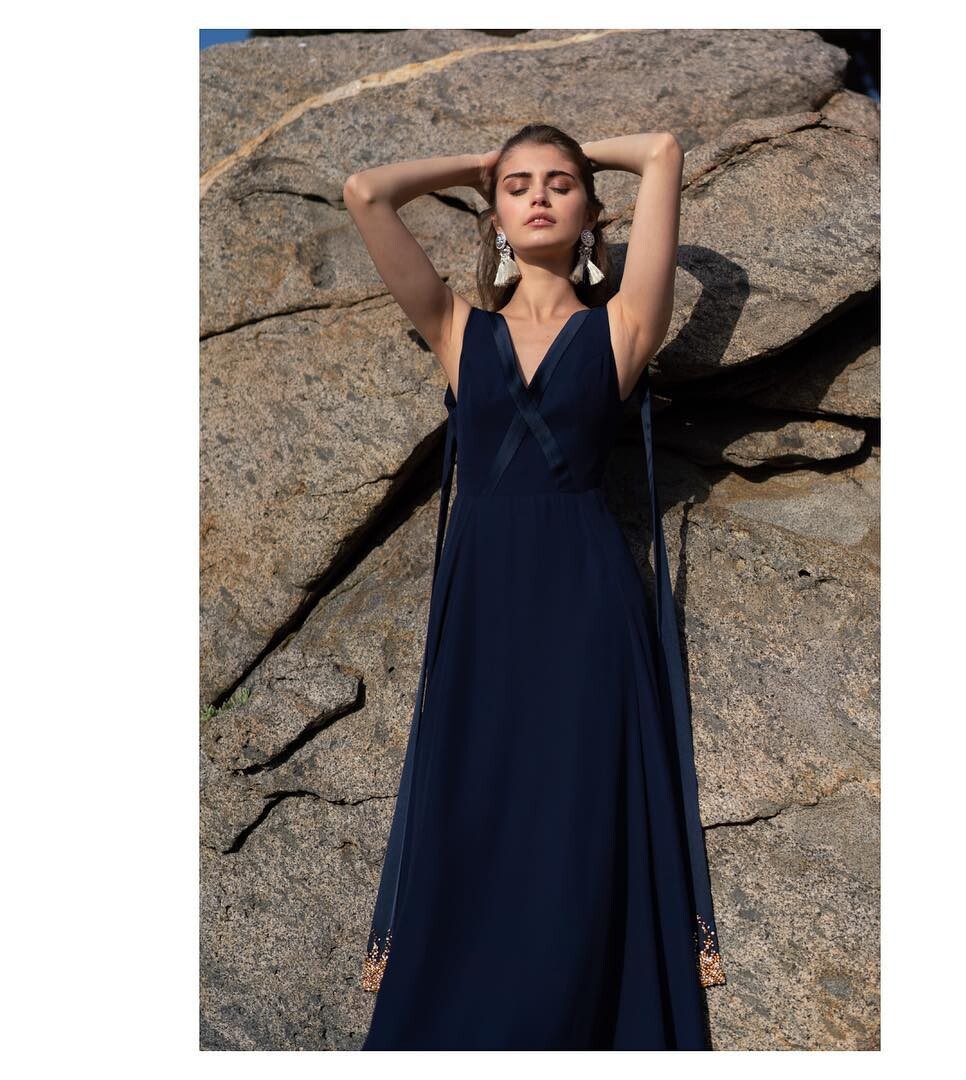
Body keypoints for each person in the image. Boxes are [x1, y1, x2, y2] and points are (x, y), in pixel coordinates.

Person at [342, 123, 723, 1050]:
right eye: (518, 187)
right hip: (482, 611)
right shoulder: (455, 329)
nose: (539, 196)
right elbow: (366, 192)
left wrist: (567, 155)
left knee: (575, 821)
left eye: (560, 183)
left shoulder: (621, 328)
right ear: (495, 216)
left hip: (586, 609)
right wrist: (481, 163)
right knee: (472, 813)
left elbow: (663, 152)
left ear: (592, 211)